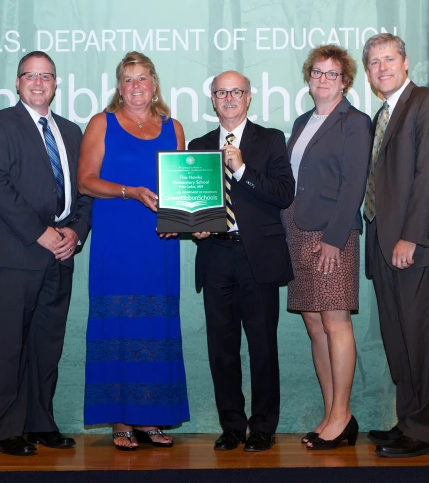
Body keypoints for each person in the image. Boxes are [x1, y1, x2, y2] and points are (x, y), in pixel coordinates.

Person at [0, 51, 92, 456]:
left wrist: (75, 232)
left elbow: (85, 191)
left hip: (60, 254)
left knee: (47, 345)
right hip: (12, 252)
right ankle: (6, 430)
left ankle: (40, 423)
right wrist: (41, 232)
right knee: (9, 345)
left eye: (47, 76)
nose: (39, 82)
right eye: (30, 75)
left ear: (57, 84)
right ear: (18, 82)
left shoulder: (72, 132)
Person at [78, 51, 189, 450]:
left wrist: (187, 222)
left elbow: (184, 185)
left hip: (159, 242)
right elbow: (86, 181)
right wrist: (129, 192)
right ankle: (122, 420)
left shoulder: (173, 127)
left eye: (143, 78)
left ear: (154, 84)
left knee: (156, 327)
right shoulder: (101, 123)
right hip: (117, 240)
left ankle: (151, 417)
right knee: (121, 325)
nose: (136, 86)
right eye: (128, 79)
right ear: (119, 86)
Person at [362, 33, 429, 458]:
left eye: (389, 59)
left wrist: (411, 237)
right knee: (398, 338)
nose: (382, 67)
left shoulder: (427, 102)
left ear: (405, 62)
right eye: (373, 62)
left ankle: (424, 432)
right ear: (367, 73)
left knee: (420, 339)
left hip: (414, 246)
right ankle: (407, 421)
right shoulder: (381, 115)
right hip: (383, 243)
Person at [190, 71, 294, 452]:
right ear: (213, 99)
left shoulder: (269, 139)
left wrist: (242, 170)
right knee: (222, 347)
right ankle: (232, 426)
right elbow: (191, 203)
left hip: (258, 258)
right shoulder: (199, 144)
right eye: (221, 92)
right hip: (215, 254)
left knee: (263, 346)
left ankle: (263, 426)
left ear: (249, 97)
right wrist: (193, 225)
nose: (229, 98)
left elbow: (284, 194)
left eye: (236, 91)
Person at [285, 45, 372, 450]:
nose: (322, 79)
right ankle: (330, 412)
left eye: (331, 74)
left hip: (331, 237)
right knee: (315, 327)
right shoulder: (303, 121)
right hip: (298, 235)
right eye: (316, 72)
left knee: (335, 324)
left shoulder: (354, 123)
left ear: (345, 81)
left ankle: (343, 416)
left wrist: (335, 240)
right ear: (308, 78)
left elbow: (353, 185)